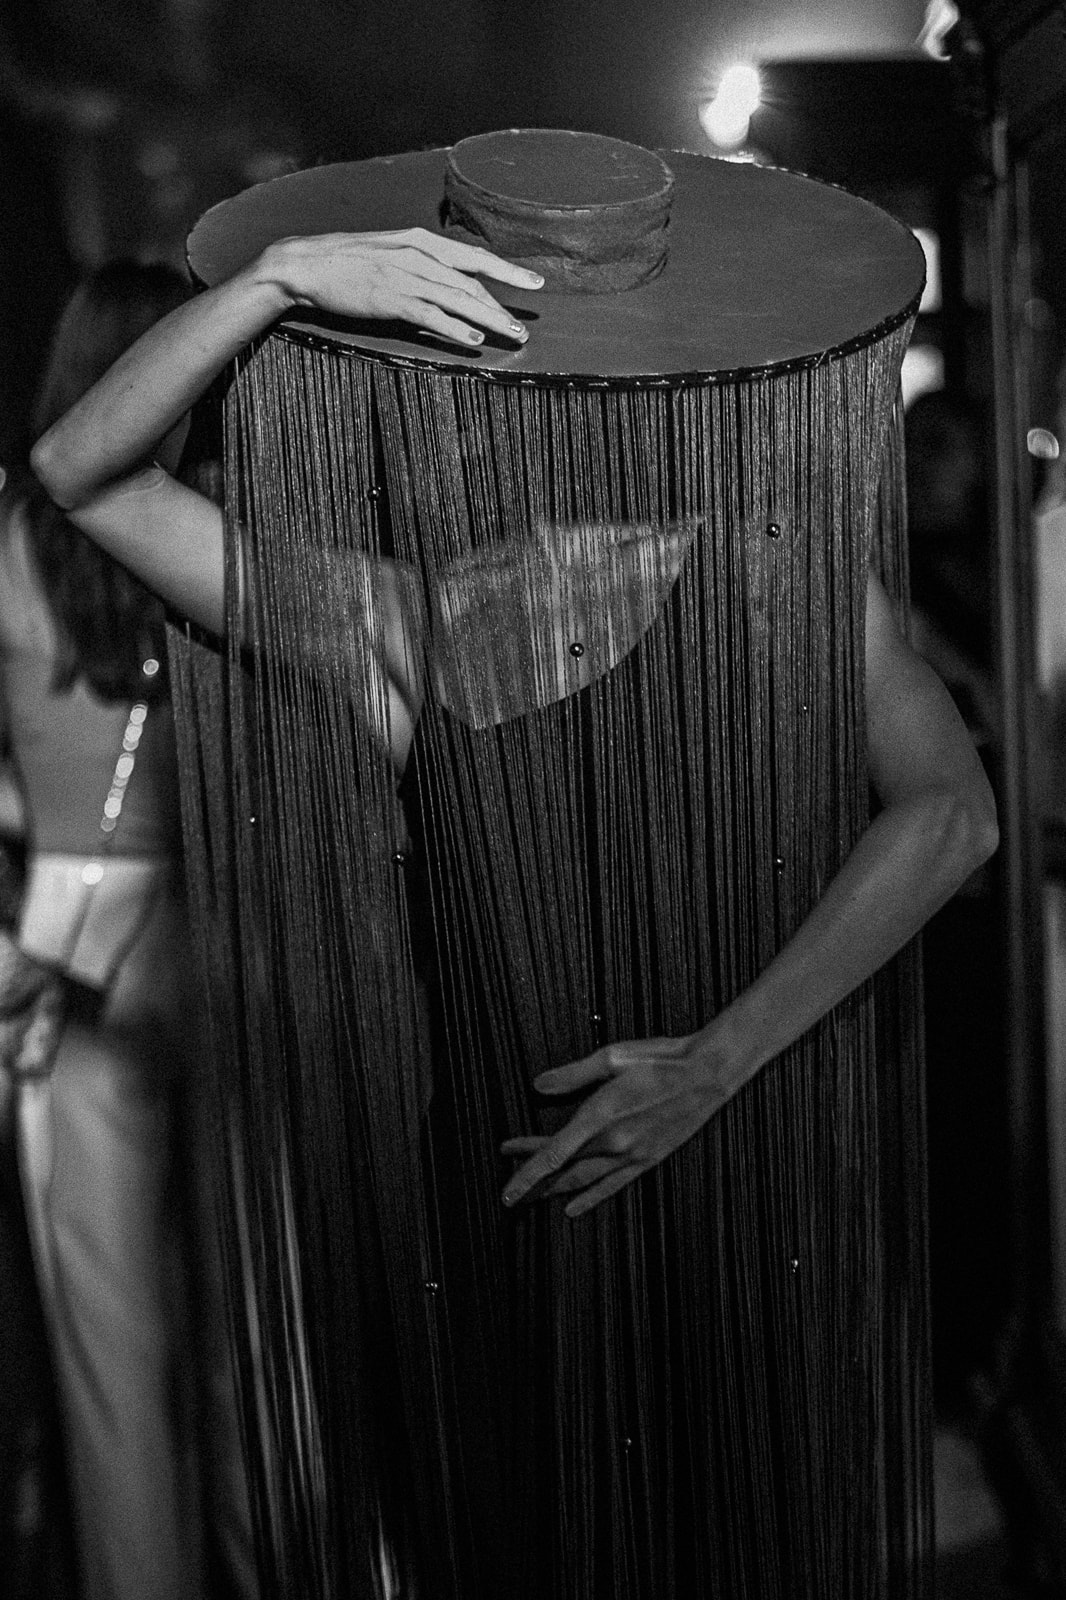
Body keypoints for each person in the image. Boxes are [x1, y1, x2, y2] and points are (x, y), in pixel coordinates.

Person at [32, 225, 999, 1591]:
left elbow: (952, 815)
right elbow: (85, 475)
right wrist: (278, 278)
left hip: (742, 1157)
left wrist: (715, 1061)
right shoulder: (405, 622)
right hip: (508, 1184)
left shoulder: (778, 574)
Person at [2, 261, 254, 1600]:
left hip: (73, 932)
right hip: (220, 925)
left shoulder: (16, 542)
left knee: (119, 1356)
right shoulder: (220, 527)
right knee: (254, 1328)